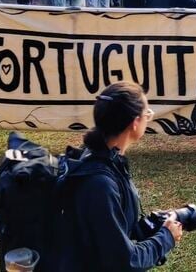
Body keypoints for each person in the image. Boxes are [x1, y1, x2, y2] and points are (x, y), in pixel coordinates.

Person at [57, 82, 182, 271]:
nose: (148, 118)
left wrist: (151, 225)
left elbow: (112, 227)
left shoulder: (105, 157)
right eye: (147, 114)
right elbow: (124, 261)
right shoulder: (99, 182)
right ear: (134, 122)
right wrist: (166, 237)